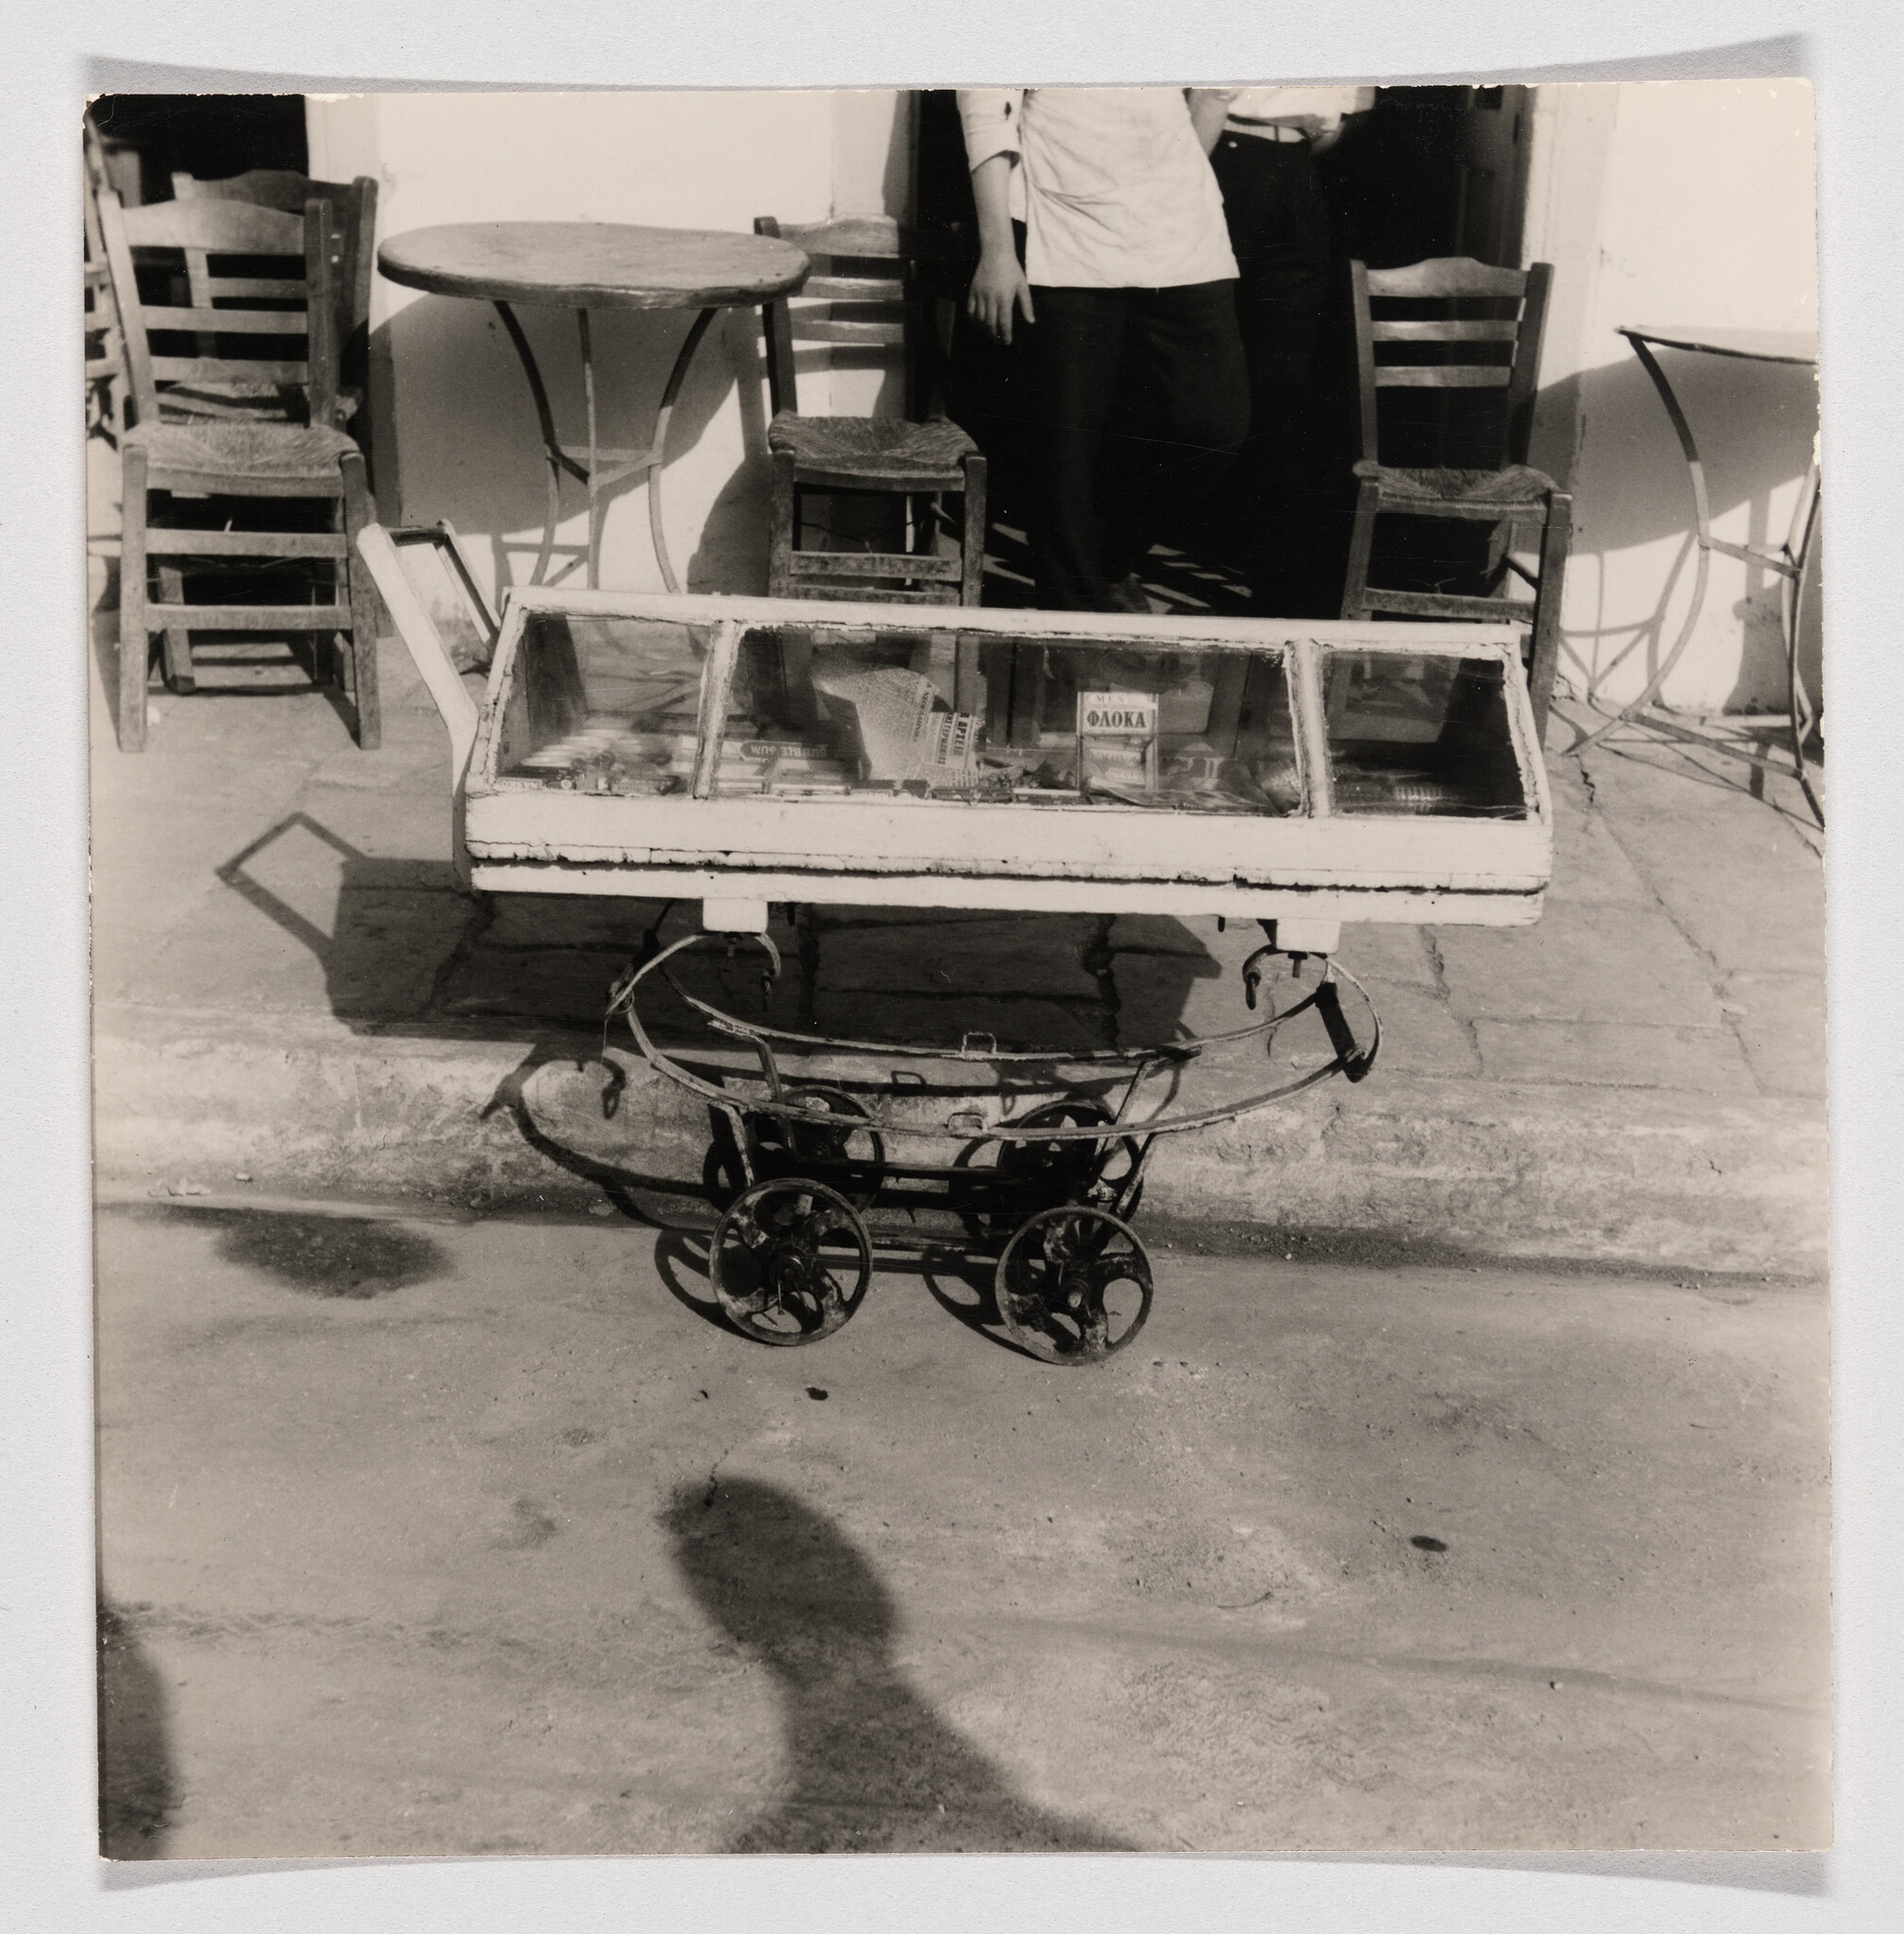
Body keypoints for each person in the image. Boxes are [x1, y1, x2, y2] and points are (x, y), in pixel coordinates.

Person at [958, 87, 1250, 614]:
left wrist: (1166, 187)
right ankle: (1072, 634)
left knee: (1213, 425)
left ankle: (1104, 564)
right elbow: (986, 110)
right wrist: (998, 250)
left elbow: (1212, 90)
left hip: (1181, 231)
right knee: (1066, 447)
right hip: (1062, 228)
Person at [1203, 86, 1375, 615]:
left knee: (1286, 386)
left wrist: (1300, 132)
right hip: (1223, 161)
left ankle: (1274, 582)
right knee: (1203, 373)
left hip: (1295, 173)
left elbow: (1352, 109)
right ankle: (1121, 558)